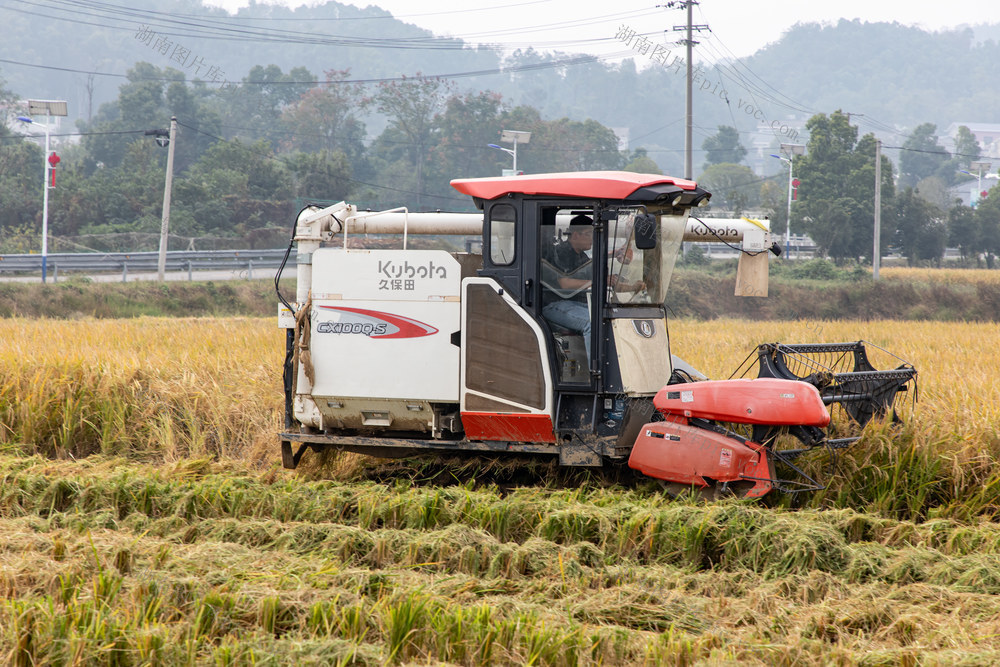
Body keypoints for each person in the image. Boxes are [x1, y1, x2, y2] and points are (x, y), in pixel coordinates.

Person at [541, 215, 594, 361]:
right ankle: (596, 374)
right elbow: (564, 283)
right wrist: (594, 282)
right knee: (592, 323)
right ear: (576, 235)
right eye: (589, 234)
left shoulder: (582, 257)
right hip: (555, 304)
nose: (592, 239)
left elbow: (595, 276)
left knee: (605, 318)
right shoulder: (561, 252)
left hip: (576, 304)